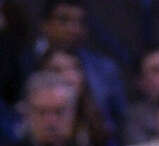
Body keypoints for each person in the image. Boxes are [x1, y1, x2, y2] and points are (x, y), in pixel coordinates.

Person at [26, 0, 126, 135]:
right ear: (45, 24)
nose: (73, 29)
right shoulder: (22, 62)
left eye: (79, 22)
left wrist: (83, 97)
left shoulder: (104, 69)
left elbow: (117, 126)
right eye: (64, 20)